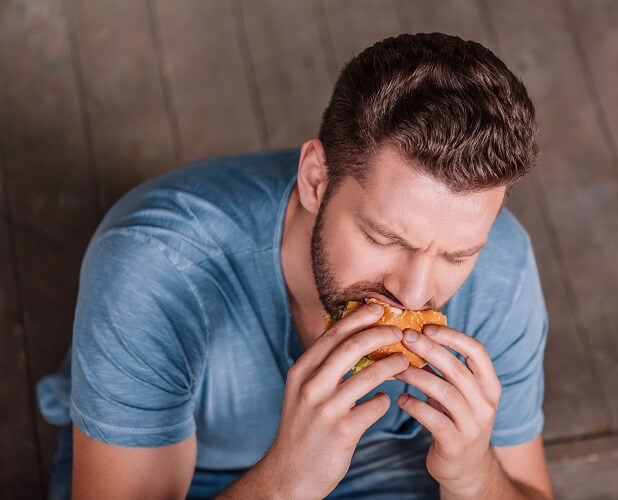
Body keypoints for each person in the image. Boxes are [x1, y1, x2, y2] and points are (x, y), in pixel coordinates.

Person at [36, 33, 553, 499]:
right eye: (383, 237)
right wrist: (290, 480)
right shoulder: (154, 265)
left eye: (457, 256)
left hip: (395, 468)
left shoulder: (502, 266)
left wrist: (473, 474)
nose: (415, 294)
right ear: (314, 179)